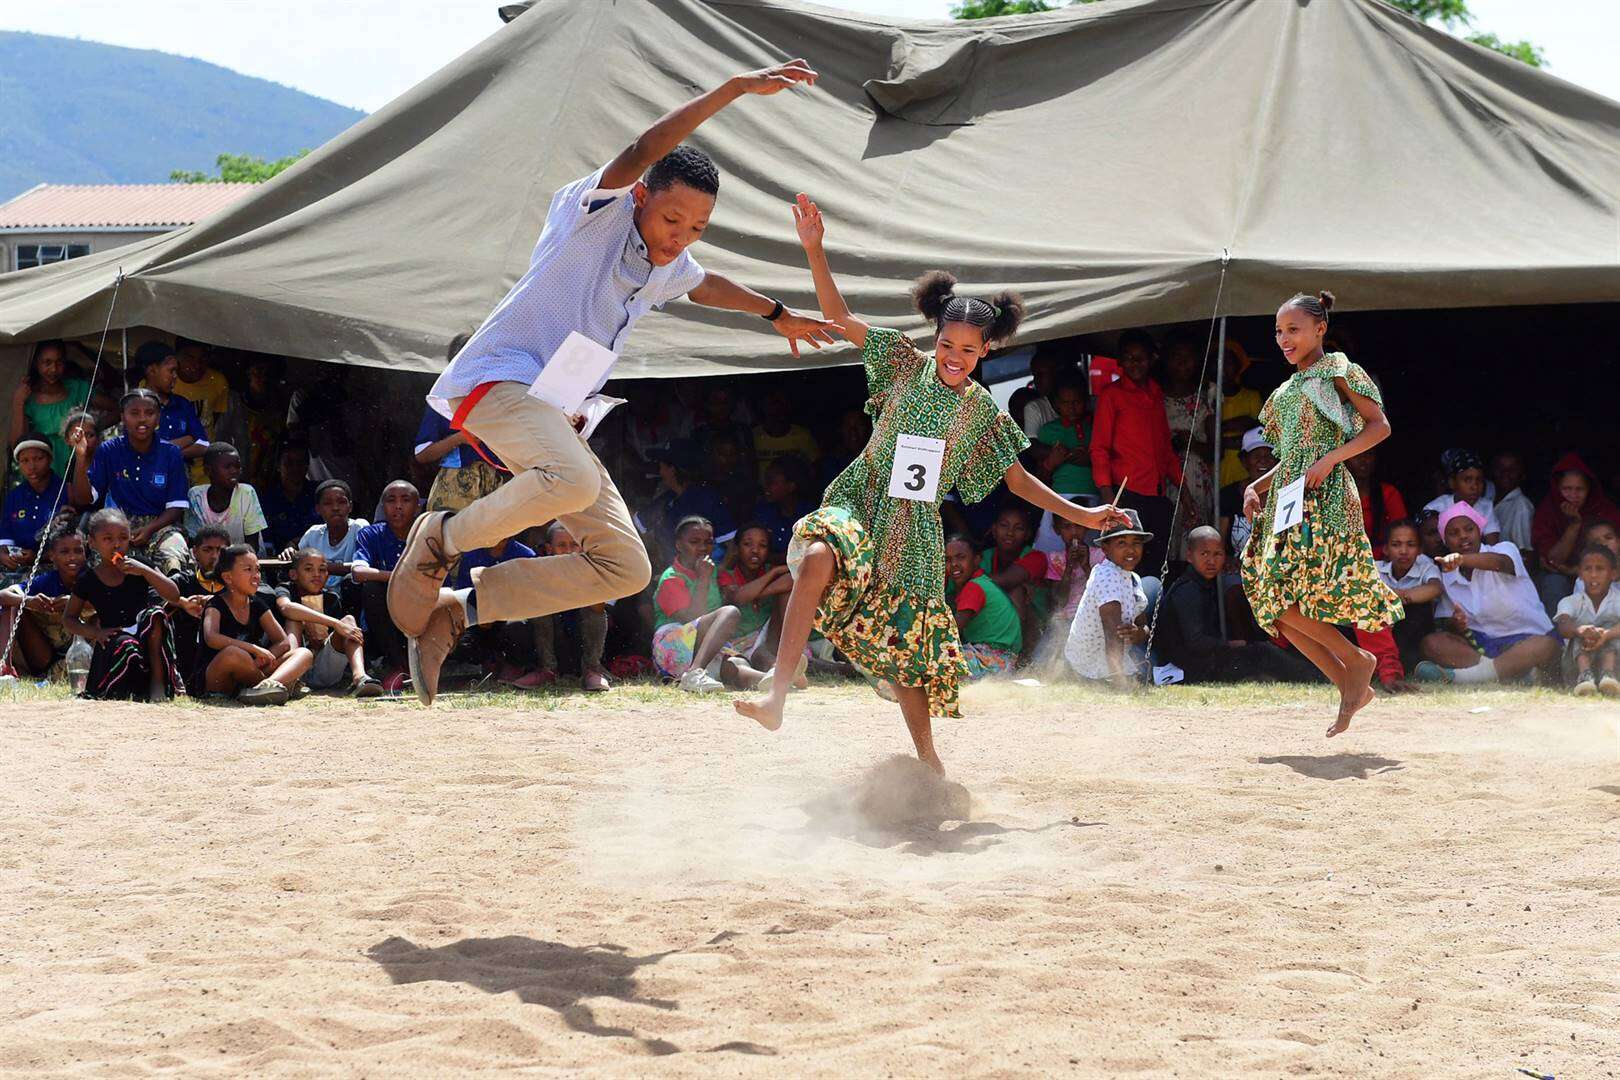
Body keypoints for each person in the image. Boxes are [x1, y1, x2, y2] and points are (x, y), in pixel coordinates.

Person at [388, 59, 837, 706]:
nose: (678, 238)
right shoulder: (591, 213)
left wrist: (774, 312)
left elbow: (706, 284)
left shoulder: (667, 264)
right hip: (497, 381)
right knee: (570, 479)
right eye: (671, 220)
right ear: (640, 198)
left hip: (551, 413)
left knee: (625, 566)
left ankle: (460, 608)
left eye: (696, 230)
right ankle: (440, 538)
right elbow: (643, 149)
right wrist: (734, 90)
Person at [735, 195, 1129, 771]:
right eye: (947, 344)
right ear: (934, 336)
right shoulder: (900, 363)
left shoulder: (983, 414)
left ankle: (929, 761)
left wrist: (1082, 512)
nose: (955, 356)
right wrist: (814, 250)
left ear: (986, 351)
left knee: (907, 655)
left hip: (915, 534)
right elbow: (839, 316)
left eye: (969, 350)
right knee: (818, 557)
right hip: (862, 499)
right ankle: (778, 689)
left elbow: (1017, 480)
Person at [1240, 291, 1402, 737]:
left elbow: (1379, 427)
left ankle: (1355, 664)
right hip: (1288, 498)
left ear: (1320, 329)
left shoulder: (1340, 371)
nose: (1284, 339)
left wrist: (1332, 459)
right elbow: (1292, 457)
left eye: (1293, 329)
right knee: (1268, 594)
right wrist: (1257, 485)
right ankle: (1351, 674)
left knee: (1280, 593)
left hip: (1326, 496)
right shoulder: (1285, 392)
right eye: (1278, 331)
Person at [1414, 502, 1559, 686]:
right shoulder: (1447, 577)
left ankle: (1466, 677)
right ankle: (1510, 672)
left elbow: (1501, 563)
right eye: (1454, 533)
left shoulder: (1504, 549)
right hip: (1482, 649)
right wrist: (1455, 624)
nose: (1463, 536)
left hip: (1528, 640)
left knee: (1545, 645)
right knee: (1432, 643)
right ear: (1445, 540)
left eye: (1469, 529)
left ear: (1479, 531)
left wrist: (1462, 559)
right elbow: (1448, 625)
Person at [62, 508, 198, 701]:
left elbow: (174, 595)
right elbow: (68, 619)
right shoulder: (88, 578)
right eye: (108, 539)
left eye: (123, 538)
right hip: (114, 639)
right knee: (126, 645)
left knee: (155, 615)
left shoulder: (139, 565)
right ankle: (123, 690)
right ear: (92, 543)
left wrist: (144, 570)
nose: (116, 544)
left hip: (146, 634)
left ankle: (157, 685)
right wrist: (95, 633)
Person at [1158, 526, 1320, 685]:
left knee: (1260, 651)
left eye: (1217, 554)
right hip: (1189, 667)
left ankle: (1315, 673)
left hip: (1203, 659)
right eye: (1204, 554)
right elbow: (1195, 641)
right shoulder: (1188, 590)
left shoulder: (1205, 583)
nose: (1211, 561)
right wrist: (1229, 645)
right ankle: (1315, 676)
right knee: (1260, 652)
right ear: (1189, 556)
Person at [69, 389, 192, 575]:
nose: (142, 419)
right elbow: (84, 498)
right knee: (104, 566)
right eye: (134, 413)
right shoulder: (109, 450)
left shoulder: (171, 453)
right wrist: (80, 457)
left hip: (160, 525)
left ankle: (171, 603)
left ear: (158, 418)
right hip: (118, 527)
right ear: (123, 417)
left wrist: (150, 529)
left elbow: (175, 507)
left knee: (173, 555)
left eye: (149, 413)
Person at [1090, 328, 1182, 576]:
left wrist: (1183, 490)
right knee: (1128, 564)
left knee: (1157, 562)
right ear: (1120, 361)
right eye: (1129, 357)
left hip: (1157, 494)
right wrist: (1108, 495)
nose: (1135, 363)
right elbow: (1099, 448)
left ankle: (1153, 614)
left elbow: (1164, 448)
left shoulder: (1155, 391)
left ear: (1152, 359)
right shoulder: (1112, 395)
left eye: (1140, 357)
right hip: (1126, 495)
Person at [195, 543, 313, 705]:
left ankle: (266, 686)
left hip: (254, 671)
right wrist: (253, 649)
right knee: (233, 653)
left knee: (303, 654)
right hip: (220, 677)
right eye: (248, 570)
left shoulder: (257, 604)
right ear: (228, 577)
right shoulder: (215, 604)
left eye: (257, 569)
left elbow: (283, 642)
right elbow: (212, 638)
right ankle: (279, 686)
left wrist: (264, 658)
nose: (256, 575)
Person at [652, 516, 754, 692]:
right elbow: (693, 618)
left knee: (736, 664)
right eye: (694, 542)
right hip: (672, 647)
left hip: (699, 649)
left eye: (708, 542)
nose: (703, 548)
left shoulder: (711, 572)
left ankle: (780, 680)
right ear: (678, 545)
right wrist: (704, 579)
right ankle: (694, 674)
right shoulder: (672, 578)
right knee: (730, 612)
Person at [413, 335, 508, 514]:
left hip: (495, 484)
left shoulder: (498, 397)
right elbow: (422, 454)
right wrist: (459, 438)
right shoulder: (442, 399)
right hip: (456, 485)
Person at [274, 548, 382, 697]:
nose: (317, 574)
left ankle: (360, 677)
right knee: (294, 620)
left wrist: (331, 633)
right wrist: (335, 623)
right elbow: (286, 607)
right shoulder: (285, 589)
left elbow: (336, 639)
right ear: (293, 574)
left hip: (323, 667)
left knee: (349, 621)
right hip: (292, 664)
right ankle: (293, 680)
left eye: (322, 569)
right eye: (308, 569)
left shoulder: (331, 598)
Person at [1064, 510, 1152, 689]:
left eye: (1136, 543)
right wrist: (1120, 683)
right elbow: (1113, 634)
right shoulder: (1106, 574)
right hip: (1087, 665)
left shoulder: (1133, 578)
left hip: (1111, 659)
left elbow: (1144, 626)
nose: (1130, 550)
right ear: (1105, 549)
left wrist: (1138, 633)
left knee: (1148, 673)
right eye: (1121, 543)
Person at [351, 480, 422, 693]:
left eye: (405, 500)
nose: (398, 506)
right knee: (370, 589)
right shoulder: (371, 534)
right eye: (391, 500)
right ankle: (399, 666)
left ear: (418, 506)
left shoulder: (426, 535)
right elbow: (359, 571)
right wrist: (399, 578)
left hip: (422, 602)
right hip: (387, 612)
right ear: (383, 506)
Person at [1532, 454, 1620, 617]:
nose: (1573, 495)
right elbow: (1554, 562)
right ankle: (1558, 638)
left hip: (1605, 572)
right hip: (1562, 575)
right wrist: (1574, 525)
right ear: (1558, 488)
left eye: (1580, 489)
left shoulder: (1604, 509)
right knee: (1554, 582)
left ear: (1589, 490)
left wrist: (1575, 570)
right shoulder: (1548, 510)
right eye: (1567, 489)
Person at [9, 340, 111, 476]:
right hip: (39, 471)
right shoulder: (27, 397)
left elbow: (116, 409)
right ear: (36, 364)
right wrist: (18, 402)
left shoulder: (78, 389)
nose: (53, 369)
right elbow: (17, 444)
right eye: (47, 362)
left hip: (76, 465)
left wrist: (90, 431)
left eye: (59, 362)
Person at [532, 522, 612, 692]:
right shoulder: (540, 569)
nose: (569, 551)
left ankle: (592, 670)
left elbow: (598, 609)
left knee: (595, 611)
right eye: (561, 545)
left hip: (582, 645)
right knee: (538, 608)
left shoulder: (592, 568)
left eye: (574, 545)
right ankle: (547, 670)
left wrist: (581, 579)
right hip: (553, 643)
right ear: (548, 548)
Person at [0, 523, 87, 678]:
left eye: (78, 551)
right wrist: (28, 600)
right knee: (12, 605)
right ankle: (5, 668)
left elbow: (110, 602)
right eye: (64, 552)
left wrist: (73, 602)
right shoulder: (47, 581)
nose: (72, 557)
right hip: (45, 656)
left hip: (85, 653)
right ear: (52, 556)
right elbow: (4, 595)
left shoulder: (92, 577)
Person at [1160, 329, 1216, 561]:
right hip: (1167, 482)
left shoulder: (1206, 399)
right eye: (1176, 356)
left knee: (1194, 542)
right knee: (1168, 543)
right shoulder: (1156, 399)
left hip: (1197, 483)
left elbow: (1215, 451)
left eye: (1188, 357)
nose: (1182, 363)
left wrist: (1191, 443)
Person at [944, 534, 1022, 679]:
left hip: (992, 660)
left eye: (961, 557)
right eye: (948, 560)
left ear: (977, 560)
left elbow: (951, 631)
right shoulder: (982, 582)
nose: (953, 564)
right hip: (1005, 661)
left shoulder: (974, 587)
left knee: (934, 657)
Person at [718, 522, 793, 669]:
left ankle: (846, 669)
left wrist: (759, 592)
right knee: (761, 655)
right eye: (747, 544)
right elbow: (739, 597)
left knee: (785, 594)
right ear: (737, 548)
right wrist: (773, 573)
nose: (755, 550)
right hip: (741, 644)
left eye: (762, 546)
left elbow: (792, 579)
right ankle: (781, 670)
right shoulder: (727, 576)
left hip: (772, 639)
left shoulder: (767, 569)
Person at [981, 503, 1048, 658]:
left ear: (1028, 534)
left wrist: (977, 582)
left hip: (1035, 626)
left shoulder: (1036, 557)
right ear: (994, 530)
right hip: (995, 626)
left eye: (1018, 528)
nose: (1010, 533)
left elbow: (1007, 580)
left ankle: (1022, 658)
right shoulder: (984, 558)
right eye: (1004, 525)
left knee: (1016, 590)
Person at [1552, 545, 1620, 696]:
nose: (1593, 575)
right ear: (1580, 574)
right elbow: (1563, 625)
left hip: (1617, 665)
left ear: (1613, 574)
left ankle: (1608, 675)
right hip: (1574, 669)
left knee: (1610, 629)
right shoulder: (1571, 601)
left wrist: (1606, 635)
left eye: (1600, 569)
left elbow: (1610, 632)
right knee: (1581, 631)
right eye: (1588, 569)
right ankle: (1585, 677)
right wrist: (1580, 631)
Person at [1376, 519, 1441, 674]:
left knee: (1418, 608)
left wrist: (1398, 597)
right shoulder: (1376, 568)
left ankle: (1410, 665)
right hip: (1384, 631)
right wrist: (1407, 596)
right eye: (1396, 544)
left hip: (1414, 637)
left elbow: (1435, 588)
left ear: (1419, 550)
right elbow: (1365, 589)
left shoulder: (1427, 568)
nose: (1403, 551)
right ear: (1385, 549)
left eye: (1410, 545)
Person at [168, 525, 231, 684]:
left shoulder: (237, 585)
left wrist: (217, 603)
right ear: (194, 552)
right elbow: (154, 594)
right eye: (207, 550)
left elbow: (266, 595)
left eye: (220, 550)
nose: (215, 556)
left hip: (227, 659)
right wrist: (181, 602)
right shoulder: (184, 581)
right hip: (186, 660)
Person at [134, 341, 210, 466]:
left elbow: (204, 444)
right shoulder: (135, 406)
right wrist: (189, 439)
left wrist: (167, 452)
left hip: (179, 480)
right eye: (171, 371)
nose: (175, 376)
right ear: (152, 371)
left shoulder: (182, 404)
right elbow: (142, 449)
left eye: (176, 371)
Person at [287, 479, 369, 594]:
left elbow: (363, 567)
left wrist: (324, 567)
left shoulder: (359, 527)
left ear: (350, 506)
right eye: (328, 503)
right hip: (317, 594)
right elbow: (299, 563)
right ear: (318, 509)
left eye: (341, 502)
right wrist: (290, 551)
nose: (335, 508)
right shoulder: (313, 533)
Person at [1, 436, 63, 586]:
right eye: (25, 461)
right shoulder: (14, 496)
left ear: (50, 459)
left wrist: (38, 557)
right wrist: (3, 555)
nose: (32, 466)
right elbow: (5, 532)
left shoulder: (64, 491)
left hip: (52, 566)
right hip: (15, 565)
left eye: (38, 458)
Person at [183, 442, 268, 548]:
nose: (234, 471)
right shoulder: (196, 496)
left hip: (245, 559)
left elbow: (252, 545)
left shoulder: (246, 493)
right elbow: (194, 541)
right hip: (209, 560)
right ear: (208, 471)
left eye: (237, 466)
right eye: (228, 467)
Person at [172, 338, 232, 484]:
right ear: (177, 358)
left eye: (202, 358)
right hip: (170, 460)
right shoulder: (166, 380)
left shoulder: (217, 382)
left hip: (204, 464)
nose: (196, 364)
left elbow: (213, 418)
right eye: (190, 357)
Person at [1219, 428, 1276, 561]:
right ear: (1244, 461)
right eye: (1256, 456)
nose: (1263, 461)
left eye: (1269, 455)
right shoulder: (1229, 495)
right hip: (1236, 570)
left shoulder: (1286, 493)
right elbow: (1219, 543)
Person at [1422, 449, 1501, 545]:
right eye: (1468, 480)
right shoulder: (1435, 509)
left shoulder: (1486, 506)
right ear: (1452, 482)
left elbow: (1493, 546)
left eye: (1479, 480)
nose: (1474, 486)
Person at [258, 442, 320, 553]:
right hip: (276, 562)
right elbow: (264, 539)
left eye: (300, 463)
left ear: (307, 466)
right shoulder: (266, 499)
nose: (295, 468)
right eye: (289, 463)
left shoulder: (319, 494)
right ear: (278, 466)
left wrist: (299, 542)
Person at [1345, 447, 1407, 559]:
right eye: (1357, 455)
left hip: (1384, 561)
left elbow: (1401, 534)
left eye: (1368, 454)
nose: (1363, 460)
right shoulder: (1335, 495)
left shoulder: (1388, 493)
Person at [1216, 341, 1263, 489]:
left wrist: (1221, 438)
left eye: (1228, 362)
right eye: (1219, 362)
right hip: (1217, 473)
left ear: (1238, 365)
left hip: (1245, 473)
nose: (1223, 368)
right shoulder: (1208, 399)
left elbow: (1260, 435)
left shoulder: (1251, 397)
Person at [752, 388, 819, 484]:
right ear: (764, 407)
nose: (778, 408)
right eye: (773, 403)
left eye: (782, 404)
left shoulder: (802, 435)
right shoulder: (754, 435)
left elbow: (815, 468)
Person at [755, 455, 815, 559]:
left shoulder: (809, 515)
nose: (766, 487)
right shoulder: (763, 510)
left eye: (771, 483)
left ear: (791, 486)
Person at [1490, 450, 1534, 557]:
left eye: (1512, 469)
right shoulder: (1487, 500)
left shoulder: (1521, 507)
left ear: (1522, 475)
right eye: (1500, 468)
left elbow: (1525, 554)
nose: (1505, 473)